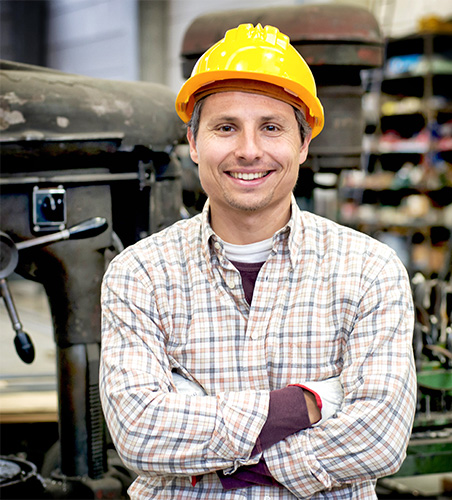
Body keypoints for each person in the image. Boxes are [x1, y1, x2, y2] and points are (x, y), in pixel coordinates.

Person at [100, 23, 417, 499]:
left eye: (271, 127)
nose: (248, 150)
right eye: (226, 127)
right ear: (193, 141)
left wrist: (210, 449)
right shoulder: (138, 274)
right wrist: (308, 404)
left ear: (303, 144)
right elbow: (139, 435)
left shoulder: (369, 270)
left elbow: (381, 439)